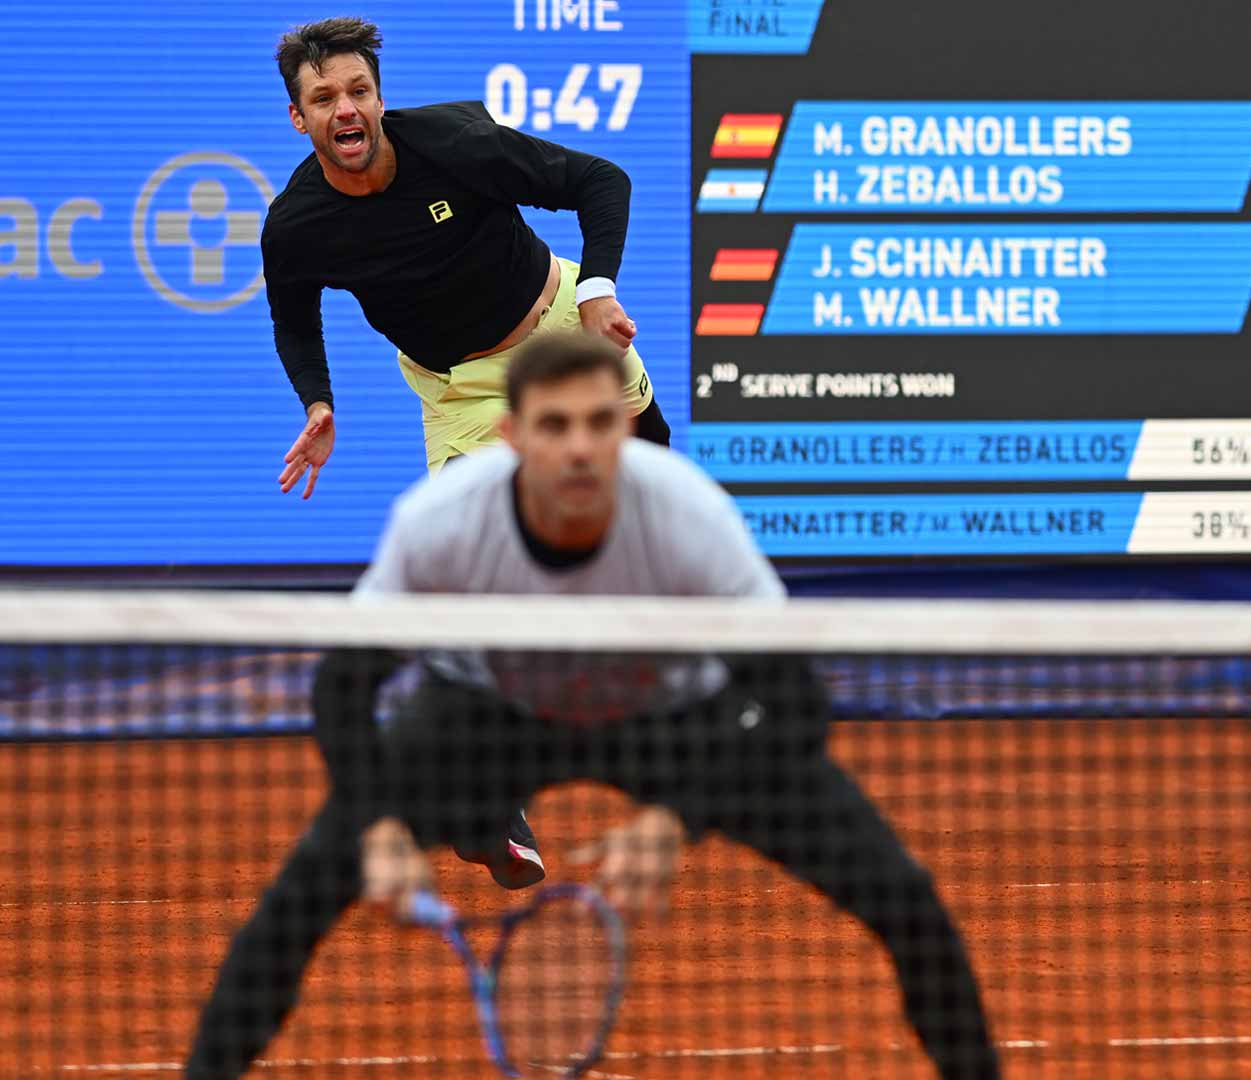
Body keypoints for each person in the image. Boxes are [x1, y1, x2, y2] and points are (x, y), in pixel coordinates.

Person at [182, 334, 1002, 1080]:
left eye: (599, 424)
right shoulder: (443, 523)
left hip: (674, 722)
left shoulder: (687, 517)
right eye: (555, 426)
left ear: (625, 428)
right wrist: (378, 829)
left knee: (905, 897)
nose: (579, 448)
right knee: (292, 909)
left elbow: (795, 701)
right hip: (487, 716)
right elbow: (344, 685)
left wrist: (677, 817)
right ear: (511, 435)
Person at [264, 15, 670, 503]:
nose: (347, 109)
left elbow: (601, 180)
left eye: (359, 91)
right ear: (299, 117)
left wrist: (597, 291)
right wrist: (317, 402)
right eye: (324, 99)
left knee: (650, 487)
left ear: (380, 100)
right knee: (476, 532)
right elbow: (296, 325)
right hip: (460, 391)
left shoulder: (457, 145)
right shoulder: (295, 226)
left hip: (564, 332)